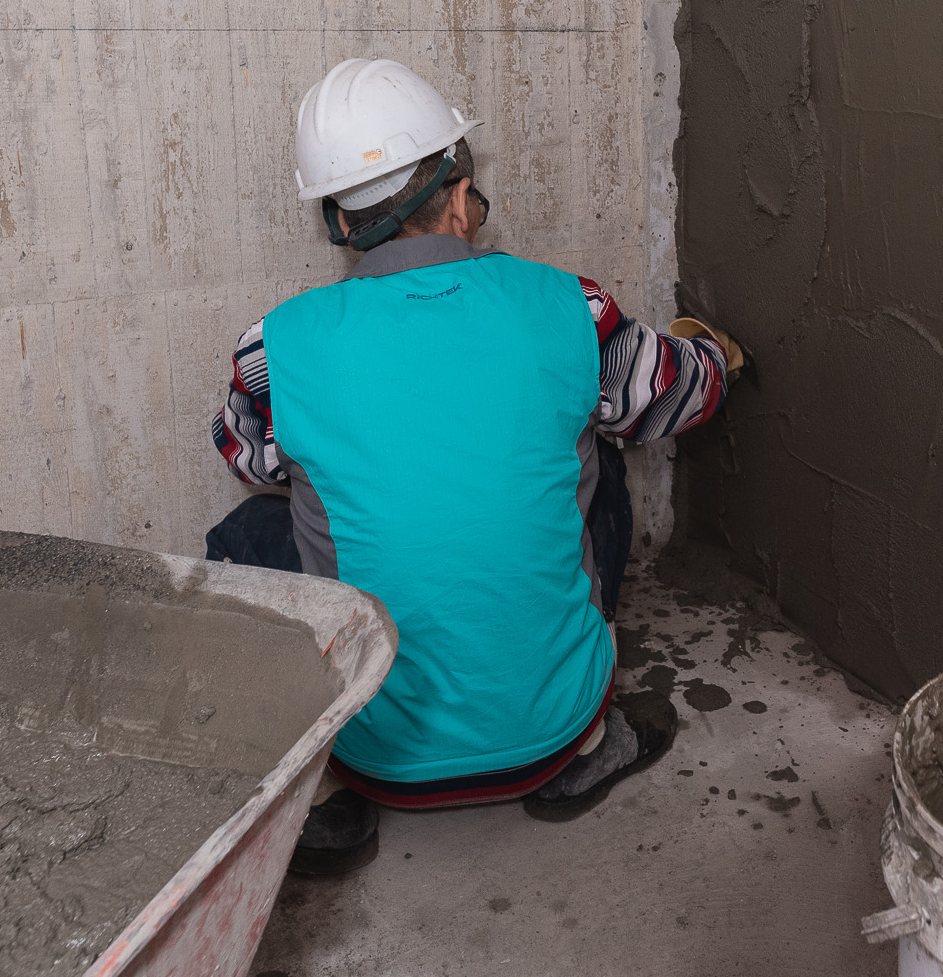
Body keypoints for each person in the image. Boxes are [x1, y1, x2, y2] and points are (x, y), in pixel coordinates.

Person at [205, 58, 741, 874]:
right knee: (592, 454)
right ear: (459, 198)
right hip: (551, 734)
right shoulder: (571, 308)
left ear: (340, 222)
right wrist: (717, 356)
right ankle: (593, 745)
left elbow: (246, 455)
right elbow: (672, 397)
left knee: (246, 535)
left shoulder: (273, 347)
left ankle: (323, 799)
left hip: (377, 758)